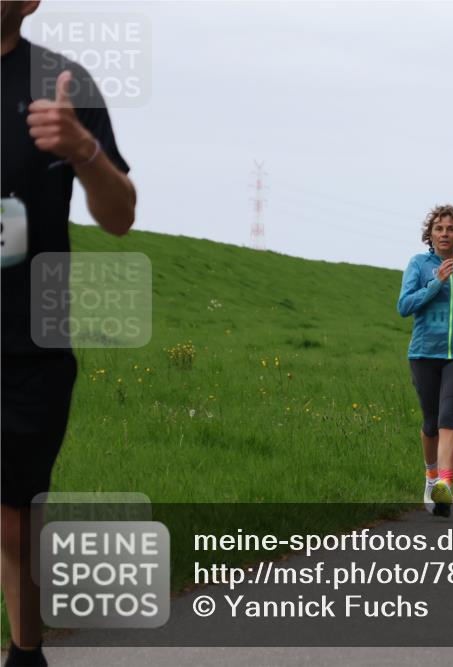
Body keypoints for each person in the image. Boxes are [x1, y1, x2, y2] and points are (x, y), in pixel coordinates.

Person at [2, 3, 137, 665]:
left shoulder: (65, 82)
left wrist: (84, 151)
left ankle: (25, 653)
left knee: (14, 520)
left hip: (30, 337)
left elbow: (119, 217)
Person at [397, 205, 453, 518]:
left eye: (450, 229)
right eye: (439, 229)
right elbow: (404, 306)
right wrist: (436, 282)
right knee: (430, 423)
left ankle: (445, 486)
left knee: (449, 415)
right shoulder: (418, 264)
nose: (444, 234)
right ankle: (430, 476)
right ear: (430, 234)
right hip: (423, 352)